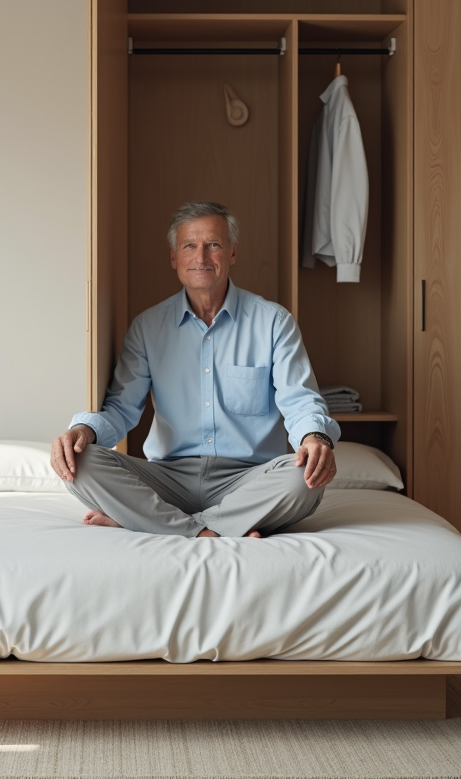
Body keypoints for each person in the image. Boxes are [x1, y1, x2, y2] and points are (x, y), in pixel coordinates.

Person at [50, 201, 340, 539]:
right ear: (174, 258)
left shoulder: (273, 322)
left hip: (248, 480)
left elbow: (301, 402)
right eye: (189, 246)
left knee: (304, 479)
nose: (200, 256)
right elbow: (120, 411)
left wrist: (315, 438)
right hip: (168, 479)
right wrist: (82, 432)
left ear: (231, 253)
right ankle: (216, 527)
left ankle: (150, 520)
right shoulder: (147, 327)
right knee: (80, 464)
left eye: (213, 245)